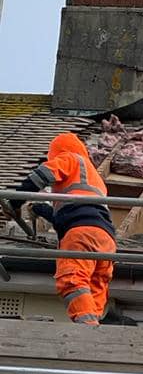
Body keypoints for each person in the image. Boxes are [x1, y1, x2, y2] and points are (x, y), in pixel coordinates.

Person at [11, 132, 116, 326]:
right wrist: (40, 209)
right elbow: (70, 213)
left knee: (73, 279)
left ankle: (86, 327)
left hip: (81, 232)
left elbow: (42, 175)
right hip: (105, 239)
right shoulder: (92, 176)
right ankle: (94, 328)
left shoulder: (70, 158)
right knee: (96, 284)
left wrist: (14, 202)